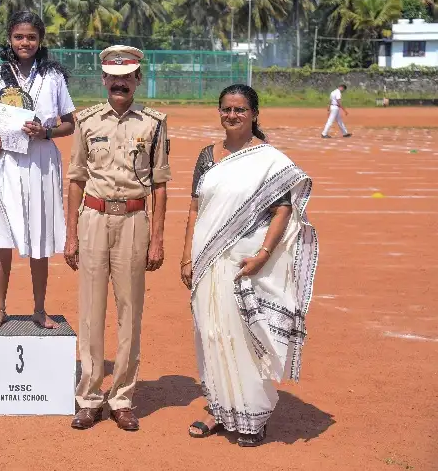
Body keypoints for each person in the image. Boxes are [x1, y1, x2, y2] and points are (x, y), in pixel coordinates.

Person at [180, 84, 319, 447]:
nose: (232, 115)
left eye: (240, 109)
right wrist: (186, 256)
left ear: (254, 114)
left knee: (244, 335)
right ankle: (218, 409)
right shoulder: (207, 156)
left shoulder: (268, 160)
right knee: (211, 332)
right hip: (207, 259)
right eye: (226, 109)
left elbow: (283, 210)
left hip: (245, 263)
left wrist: (263, 255)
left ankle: (252, 417)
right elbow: (195, 208)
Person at [64, 46, 170, 432]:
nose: (120, 82)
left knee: (130, 312)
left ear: (138, 80)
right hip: (93, 219)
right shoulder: (86, 121)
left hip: (134, 220)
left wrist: (157, 238)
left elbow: (160, 183)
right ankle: (90, 397)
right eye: (113, 76)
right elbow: (76, 179)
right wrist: (71, 235)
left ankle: (122, 397)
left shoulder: (154, 124)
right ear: (104, 79)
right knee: (91, 312)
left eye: (127, 77)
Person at [0, 11, 76, 330]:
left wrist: (45, 132)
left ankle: (39, 308)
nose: (25, 42)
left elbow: (69, 124)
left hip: (41, 161)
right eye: (19, 37)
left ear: (40, 40)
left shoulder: (53, 77)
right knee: (1, 235)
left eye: (31, 37)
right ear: (9, 38)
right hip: (5, 161)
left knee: (40, 234)